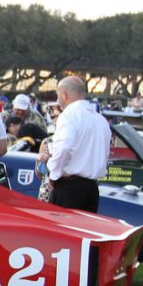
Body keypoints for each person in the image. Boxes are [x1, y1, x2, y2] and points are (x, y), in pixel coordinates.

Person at [37, 76, 110, 212]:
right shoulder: (100, 119)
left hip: (69, 187)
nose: (58, 99)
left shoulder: (68, 116)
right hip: (92, 189)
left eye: (58, 94)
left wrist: (54, 175)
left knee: (61, 225)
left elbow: (63, 148)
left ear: (64, 95)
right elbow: (105, 153)